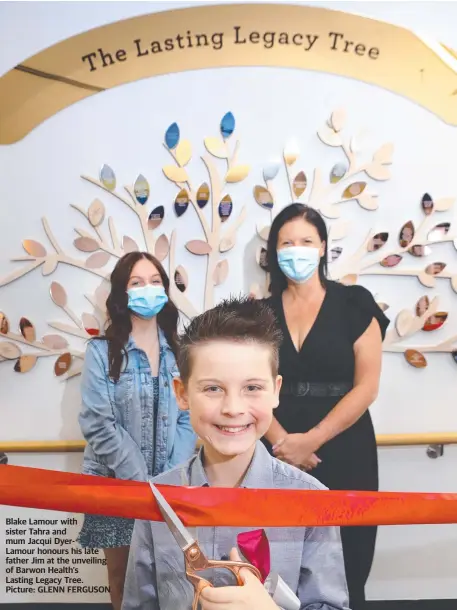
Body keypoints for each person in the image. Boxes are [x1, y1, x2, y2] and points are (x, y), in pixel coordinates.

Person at [121, 296, 350, 610]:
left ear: (275, 391)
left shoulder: (312, 501)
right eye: (213, 388)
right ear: (182, 393)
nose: (232, 408)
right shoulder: (157, 500)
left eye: (252, 388)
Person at [258, 203, 389, 610]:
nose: (296, 250)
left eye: (306, 241)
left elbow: (366, 387)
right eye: (286, 243)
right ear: (274, 252)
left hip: (345, 446)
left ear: (322, 248)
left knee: (348, 562)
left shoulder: (354, 303)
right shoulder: (259, 313)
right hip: (275, 450)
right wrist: (283, 444)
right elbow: (251, 387)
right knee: (277, 561)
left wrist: (310, 440)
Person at [77, 251, 197, 610]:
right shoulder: (101, 352)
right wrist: (141, 480)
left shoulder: (182, 353)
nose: (148, 289)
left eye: (155, 281)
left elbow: (188, 417)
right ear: (122, 294)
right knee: (122, 578)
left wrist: (168, 478)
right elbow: (98, 423)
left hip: (172, 489)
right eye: (136, 282)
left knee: (174, 576)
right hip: (115, 485)